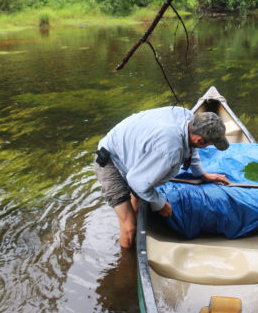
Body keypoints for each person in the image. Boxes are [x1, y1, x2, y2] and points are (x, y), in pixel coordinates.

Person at [94, 106, 230, 248]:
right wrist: (160, 204)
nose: (210, 146)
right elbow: (137, 182)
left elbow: (192, 147)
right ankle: (125, 261)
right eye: (211, 144)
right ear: (200, 140)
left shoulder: (189, 118)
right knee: (129, 227)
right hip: (110, 160)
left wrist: (202, 175)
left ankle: (135, 229)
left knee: (138, 203)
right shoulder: (170, 150)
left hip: (132, 154)